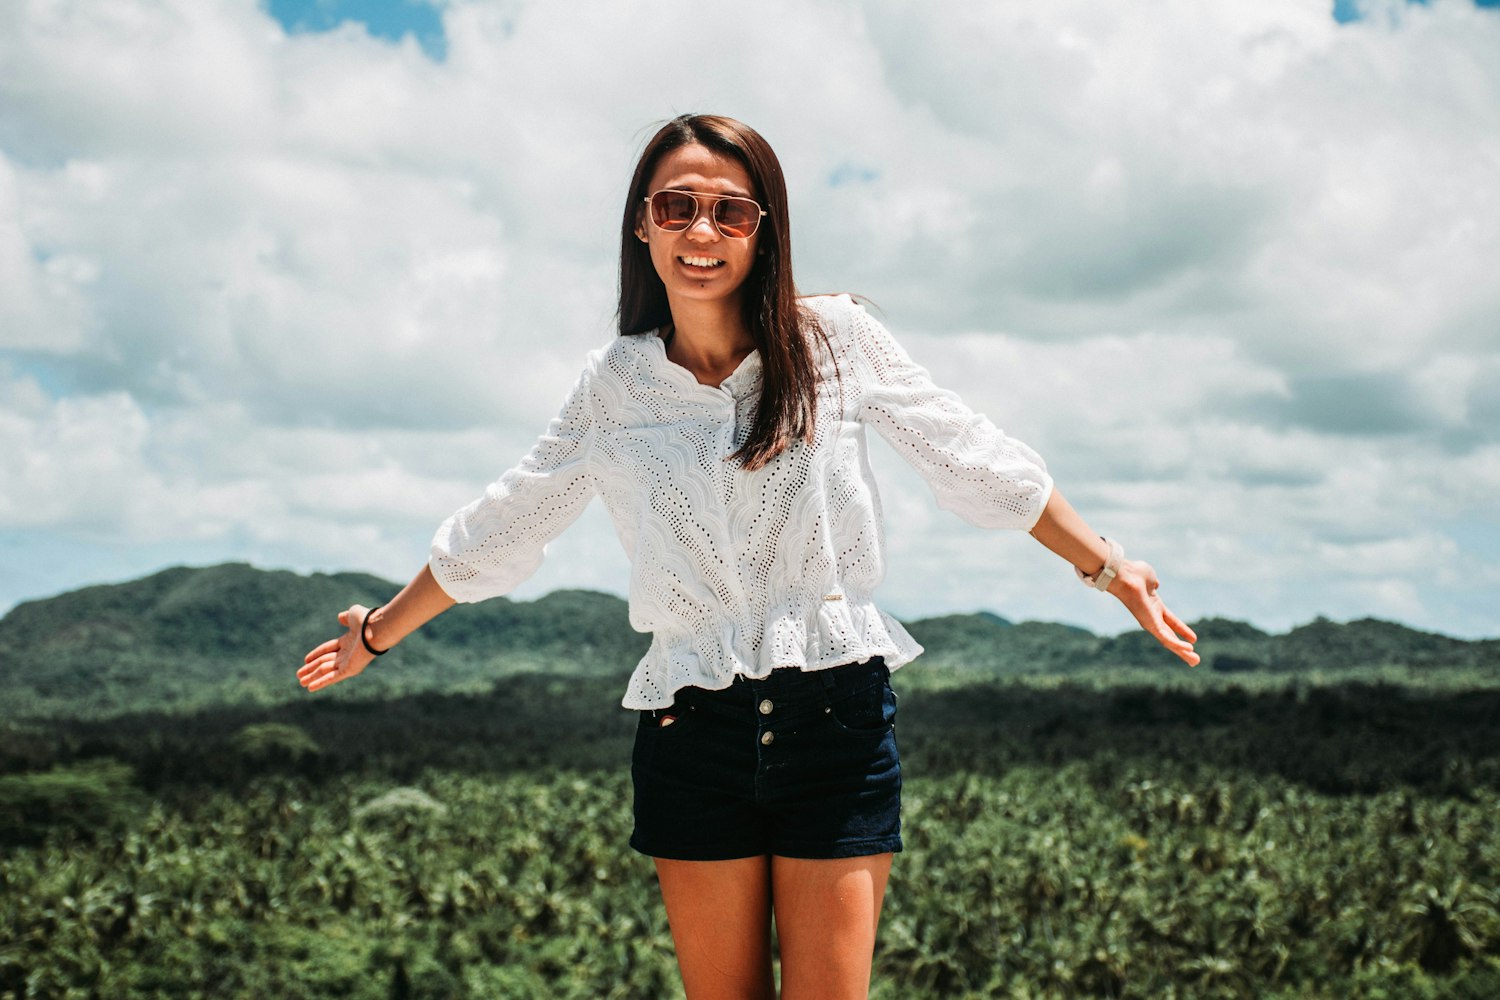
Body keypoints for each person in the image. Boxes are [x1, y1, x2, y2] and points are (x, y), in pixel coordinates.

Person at [298, 113, 1199, 1000]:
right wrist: (378, 632)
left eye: (731, 211)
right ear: (641, 223)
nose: (703, 231)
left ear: (765, 232)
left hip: (834, 718)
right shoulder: (613, 385)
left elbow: (970, 454)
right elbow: (505, 523)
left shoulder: (835, 341)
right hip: (691, 732)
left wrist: (1111, 567)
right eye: (678, 205)